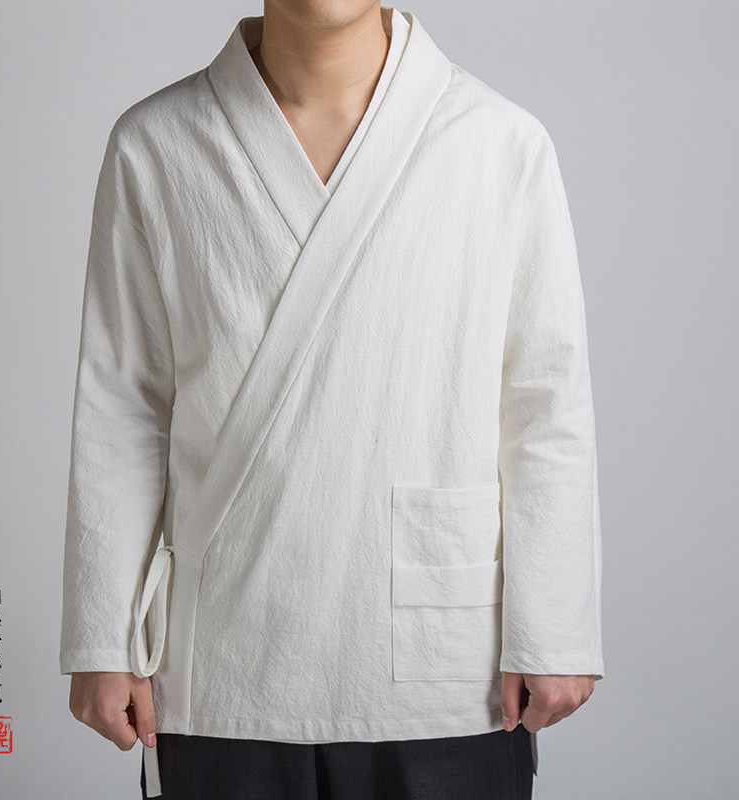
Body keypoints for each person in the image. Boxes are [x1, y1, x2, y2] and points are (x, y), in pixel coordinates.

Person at [59, 3, 604, 798]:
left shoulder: (499, 144)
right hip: (224, 666)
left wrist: (554, 623)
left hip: (445, 665)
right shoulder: (156, 145)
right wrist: (103, 634)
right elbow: (125, 403)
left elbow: (545, 403)